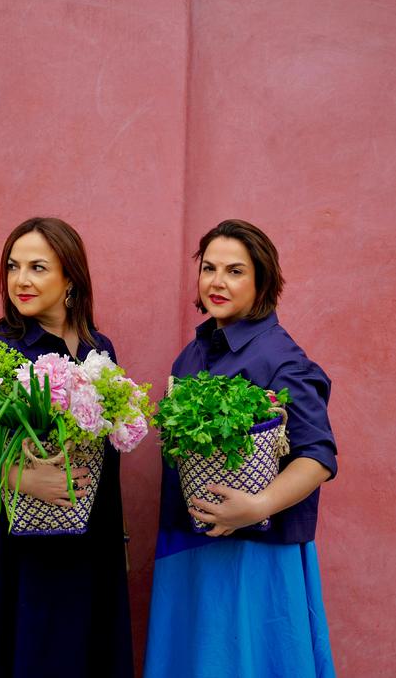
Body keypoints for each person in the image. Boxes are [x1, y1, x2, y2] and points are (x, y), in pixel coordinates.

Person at [144, 219, 337, 678]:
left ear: (262, 280)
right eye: (209, 268)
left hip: (255, 552)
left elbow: (319, 456)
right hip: (187, 544)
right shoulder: (190, 356)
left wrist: (258, 505)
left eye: (234, 271)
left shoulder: (280, 357)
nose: (216, 281)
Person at [0, 217, 133, 678]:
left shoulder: (99, 350)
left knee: (95, 651)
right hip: (24, 551)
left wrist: (118, 540)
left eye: (37, 267)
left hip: (94, 544)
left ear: (70, 278)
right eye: (13, 267)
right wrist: (29, 479)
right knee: (33, 654)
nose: (20, 280)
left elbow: (107, 457)